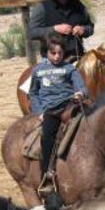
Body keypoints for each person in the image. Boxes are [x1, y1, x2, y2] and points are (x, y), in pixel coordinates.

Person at [29, 31, 88, 196]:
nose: (56, 57)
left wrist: (81, 94)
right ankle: (47, 175)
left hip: (69, 104)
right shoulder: (38, 71)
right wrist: (39, 112)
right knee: (47, 137)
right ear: (46, 52)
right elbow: (33, 93)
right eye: (53, 53)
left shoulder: (69, 69)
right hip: (51, 110)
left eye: (60, 53)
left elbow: (82, 88)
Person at [29, 0, 94, 60]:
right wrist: (54, 29)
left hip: (77, 56)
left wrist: (83, 30)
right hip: (51, 60)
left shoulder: (78, 5)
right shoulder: (42, 8)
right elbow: (32, 33)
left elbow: (90, 27)